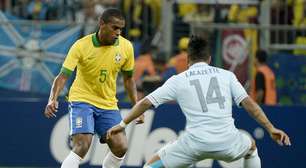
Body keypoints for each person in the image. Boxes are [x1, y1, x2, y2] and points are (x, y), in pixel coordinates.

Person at [107, 35, 291, 168]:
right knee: (251, 147)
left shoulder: (179, 79)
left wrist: (123, 124)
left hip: (193, 145)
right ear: (209, 58)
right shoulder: (227, 75)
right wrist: (270, 128)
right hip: (228, 142)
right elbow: (249, 104)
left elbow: (145, 102)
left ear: (188, 59)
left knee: (150, 166)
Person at [44, 8, 144, 168]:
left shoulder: (126, 47)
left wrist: (137, 106)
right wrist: (52, 99)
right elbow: (62, 76)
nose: (118, 32)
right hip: (82, 100)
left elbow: (128, 79)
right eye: (115, 28)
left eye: (121, 29)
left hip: (108, 104)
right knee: (82, 145)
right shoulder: (81, 45)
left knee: (121, 147)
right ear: (101, 24)